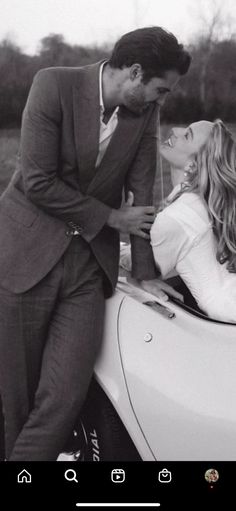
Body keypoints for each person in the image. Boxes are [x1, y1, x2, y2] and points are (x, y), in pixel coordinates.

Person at [0, 27, 190, 460]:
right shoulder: (52, 84)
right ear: (136, 72)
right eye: (160, 90)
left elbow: (143, 196)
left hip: (89, 270)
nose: (162, 101)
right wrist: (109, 216)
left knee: (65, 397)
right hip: (22, 257)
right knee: (15, 401)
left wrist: (144, 271)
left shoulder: (145, 116)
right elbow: (38, 181)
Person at [121, 119, 236, 323]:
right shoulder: (206, 203)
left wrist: (117, 221)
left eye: (187, 135)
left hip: (227, 316)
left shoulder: (179, 217)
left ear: (193, 164)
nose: (174, 130)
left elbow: (136, 264)